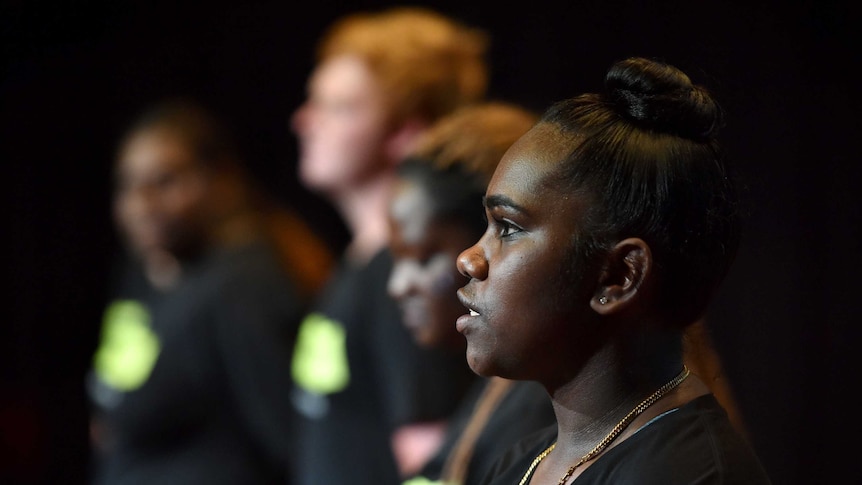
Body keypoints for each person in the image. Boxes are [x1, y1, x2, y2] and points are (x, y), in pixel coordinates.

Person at [454, 57, 772, 484]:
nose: (469, 259)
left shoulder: (685, 475)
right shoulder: (522, 461)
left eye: (508, 228)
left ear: (618, 276)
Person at [287, 6, 490, 484]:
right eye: (313, 100)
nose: (304, 120)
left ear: (406, 133)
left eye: (339, 107)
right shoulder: (362, 265)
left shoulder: (405, 278)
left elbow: (431, 457)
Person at [88, 98, 334, 484]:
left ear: (219, 179)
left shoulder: (243, 284)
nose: (141, 203)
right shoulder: (141, 275)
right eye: (128, 184)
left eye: (164, 181)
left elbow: (285, 436)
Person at [387, 102, 557, 485]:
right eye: (396, 260)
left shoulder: (541, 409)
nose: (397, 287)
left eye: (425, 257)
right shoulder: (499, 388)